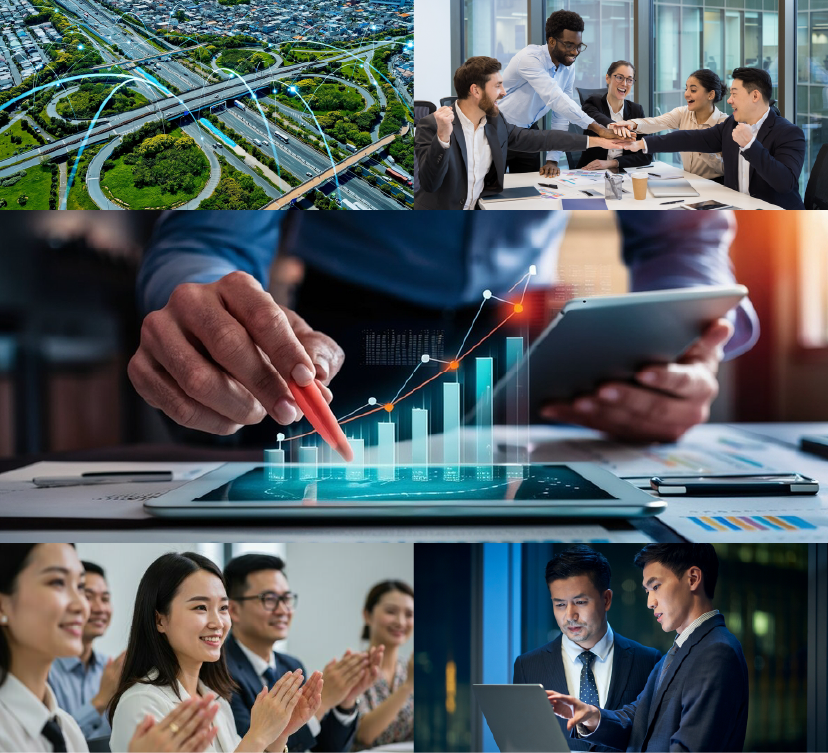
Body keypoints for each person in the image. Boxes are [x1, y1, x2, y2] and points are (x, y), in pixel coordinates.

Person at [130, 212, 759, 446]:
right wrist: (202, 308)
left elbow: (687, 232)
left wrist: (681, 343)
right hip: (346, 337)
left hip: (524, 333)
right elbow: (206, 238)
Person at [0, 544, 220, 753]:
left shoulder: (66, 728)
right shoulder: (138, 700)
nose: (83, 606)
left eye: (79, 587)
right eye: (57, 582)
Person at [109, 552, 324, 753]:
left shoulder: (216, 701)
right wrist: (258, 736)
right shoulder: (140, 704)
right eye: (200, 607)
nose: (218, 623)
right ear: (160, 620)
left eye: (223, 608)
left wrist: (277, 736)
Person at [547, 545, 749, 753]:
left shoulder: (715, 652)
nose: (650, 602)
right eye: (647, 591)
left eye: (656, 587)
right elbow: (638, 720)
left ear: (693, 578)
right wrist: (591, 715)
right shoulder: (682, 650)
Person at [414, 56, 624, 210]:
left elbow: (542, 139)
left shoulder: (495, 123)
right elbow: (430, 183)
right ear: (476, 91)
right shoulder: (431, 125)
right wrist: (443, 137)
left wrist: (598, 142)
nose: (504, 92)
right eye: (498, 86)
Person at [222, 555, 379, 753]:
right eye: (269, 599)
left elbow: (327, 749)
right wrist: (324, 703)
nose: (283, 610)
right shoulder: (220, 669)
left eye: (286, 598)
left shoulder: (290, 665)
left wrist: (345, 702)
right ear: (234, 610)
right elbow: (251, 746)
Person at [513, 546, 660, 752]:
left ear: (606, 599)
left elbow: (653, 736)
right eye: (560, 605)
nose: (570, 615)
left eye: (580, 602)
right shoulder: (528, 666)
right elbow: (522, 741)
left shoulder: (648, 661)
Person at [620, 67, 806, 208]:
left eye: (734, 94)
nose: (729, 100)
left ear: (755, 96)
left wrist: (750, 145)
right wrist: (641, 143)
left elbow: (784, 183)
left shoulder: (789, 133)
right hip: (736, 210)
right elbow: (690, 138)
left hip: (776, 217)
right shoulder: (731, 125)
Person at [498, 10, 631, 176]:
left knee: (528, 187)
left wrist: (553, 159)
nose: (575, 52)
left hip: (527, 132)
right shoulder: (529, 58)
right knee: (493, 188)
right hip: (499, 129)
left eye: (578, 46)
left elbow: (561, 113)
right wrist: (599, 129)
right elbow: (555, 98)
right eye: (569, 45)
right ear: (552, 41)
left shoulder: (568, 68)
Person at [48, 561, 123, 741]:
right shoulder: (44, 669)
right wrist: (100, 701)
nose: (100, 608)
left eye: (105, 599)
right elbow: (46, 740)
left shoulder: (112, 668)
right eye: (88, 597)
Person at [609, 69, 728, 180]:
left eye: (693, 90)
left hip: (715, 185)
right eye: (686, 89)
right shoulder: (682, 113)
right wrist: (630, 124)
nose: (686, 94)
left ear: (710, 95)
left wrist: (701, 148)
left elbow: (725, 168)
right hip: (689, 181)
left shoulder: (724, 123)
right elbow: (656, 122)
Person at [353, 582, 414, 751]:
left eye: (409, 614)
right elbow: (364, 734)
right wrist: (408, 686)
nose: (401, 622)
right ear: (367, 615)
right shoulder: (352, 669)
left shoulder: (409, 669)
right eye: (391, 611)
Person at [576, 61, 652, 171]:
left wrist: (612, 163)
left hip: (622, 172)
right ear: (608, 78)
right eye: (619, 77)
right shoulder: (593, 103)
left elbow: (647, 155)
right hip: (591, 172)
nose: (624, 84)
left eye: (629, 80)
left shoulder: (636, 111)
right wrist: (614, 126)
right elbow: (594, 115)